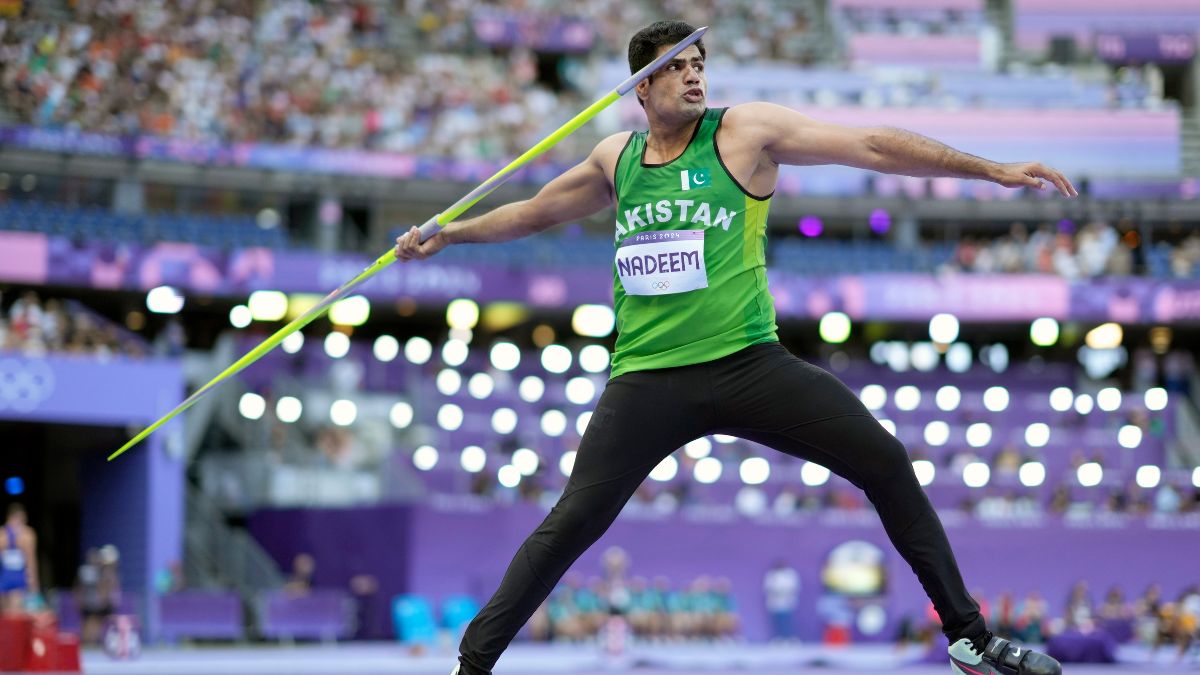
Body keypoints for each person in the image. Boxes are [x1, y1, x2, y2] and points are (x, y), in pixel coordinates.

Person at [396, 21, 1072, 675]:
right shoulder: (616, 157)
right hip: (648, 377)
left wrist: (989, 169)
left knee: (887, 461)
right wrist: (451, 233)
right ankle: (472, 665)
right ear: (641, 86)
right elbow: (537, 209)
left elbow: (868, 144)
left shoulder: (744, 132)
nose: (693, 77)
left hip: (748, 363)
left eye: (699, 66)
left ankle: (970, 641)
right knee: (573, 521)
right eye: (675, 68)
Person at [0, 503, 38, 613]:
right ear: (23, 517)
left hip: (4, 577)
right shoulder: (28, 534)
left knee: (4, 615)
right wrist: (34, 585)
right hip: (18, 577)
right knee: (16, 614)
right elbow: (31, 562)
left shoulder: (2, 534)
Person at [763, 559, 800, 641]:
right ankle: (778, 638)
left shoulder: (790, 574)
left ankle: (788, 637)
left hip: (786, 601)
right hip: (775, 602)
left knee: (786, 621)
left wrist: (784, 591)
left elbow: (794, 587)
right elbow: (768, 588)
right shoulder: (772, 575)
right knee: (777, 621)